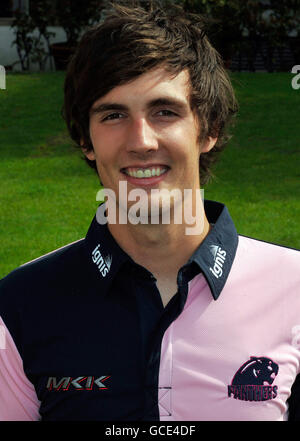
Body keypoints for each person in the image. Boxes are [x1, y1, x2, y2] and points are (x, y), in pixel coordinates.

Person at [0, 3, 299, 422]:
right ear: (86, 140)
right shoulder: (18, 304)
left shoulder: (294, 290)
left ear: (208, 128)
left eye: (165, 111)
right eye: (113, 115)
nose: (141, 140)